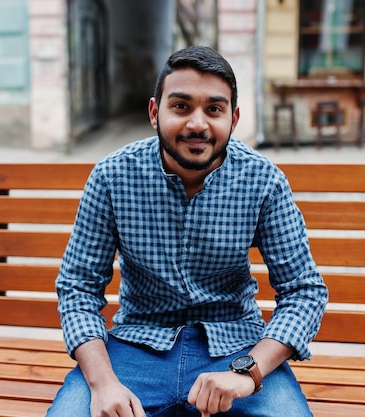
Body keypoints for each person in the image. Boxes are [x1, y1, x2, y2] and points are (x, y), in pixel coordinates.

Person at [48, 45, 328, 417]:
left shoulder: (263, 181)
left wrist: (248, 372)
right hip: (134, 345)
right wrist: (103, 384)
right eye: (181, 106)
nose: (198, 124)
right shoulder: (113, 177)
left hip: (236, 348)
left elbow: (304, 291)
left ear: (233, 117)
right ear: (154, 112)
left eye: (214, 109)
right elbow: (78, 287)